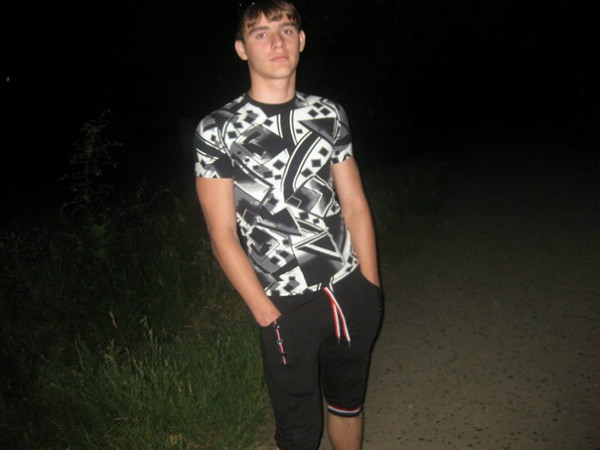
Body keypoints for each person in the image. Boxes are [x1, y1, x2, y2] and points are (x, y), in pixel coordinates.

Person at [193, 1, 382, 449]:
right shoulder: (218, 130)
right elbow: (222, 236)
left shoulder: (328, 113)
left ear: (301, 40)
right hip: (283, 305)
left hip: (350, 288)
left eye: (286, 29)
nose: (276, 41)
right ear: (242, 49)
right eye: (260, 33)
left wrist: (371, 285)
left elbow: (354, 202)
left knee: (348, 405)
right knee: (299, 434)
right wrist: (267, 314)